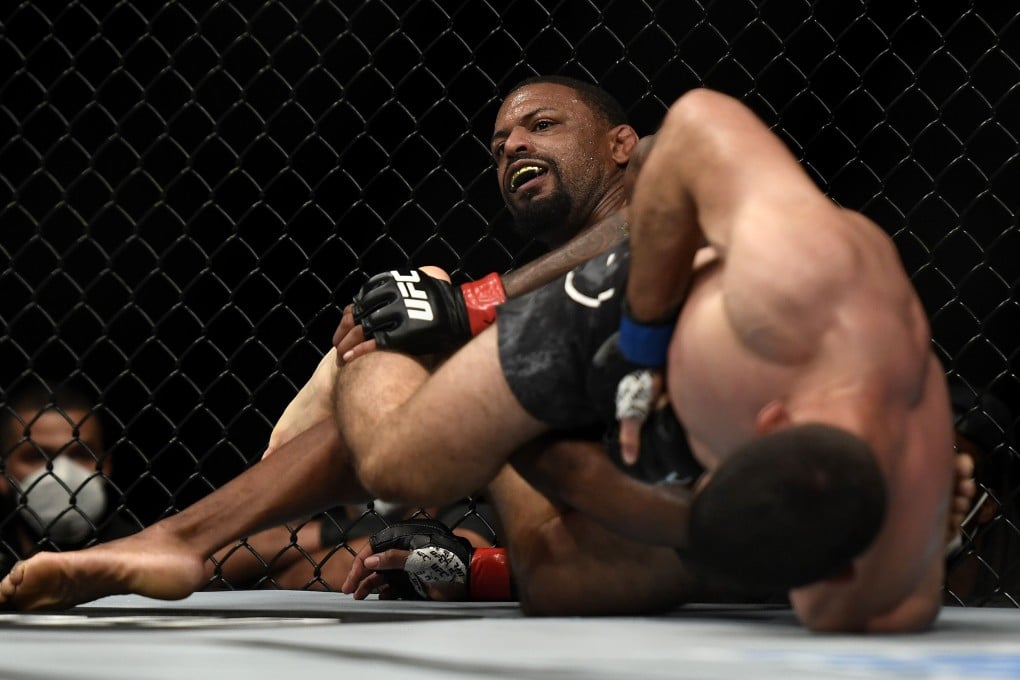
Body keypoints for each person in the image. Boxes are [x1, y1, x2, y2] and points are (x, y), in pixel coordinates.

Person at [325, 88, 959, 632]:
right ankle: (383, 318)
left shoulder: (891, 565)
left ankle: (512, 451)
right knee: (396, 465)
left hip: (714, 444)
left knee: (558, 585)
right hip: (625, 310)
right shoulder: (795, 270)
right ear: (766, 421)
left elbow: (805, 588)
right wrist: (643, 344)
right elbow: (682, 132)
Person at [0, 75, 644, 610]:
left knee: (422, 297)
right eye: (499, 145)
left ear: (621, 145)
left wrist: (469, 302)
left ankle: (181, 538)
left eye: (543, 125)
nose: (513, 148)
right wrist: (473, 568)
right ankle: (186, 536)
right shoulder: (553, 314)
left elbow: (648, 214)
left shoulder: (677, 190)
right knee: (409, 304)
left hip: (644, 512)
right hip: (573, 540)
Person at [1, 382, 139, 579]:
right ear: (3, 473)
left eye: (80, 454)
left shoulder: (142, 553)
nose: (60, 473)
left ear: (105, 467)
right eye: (37, 456)